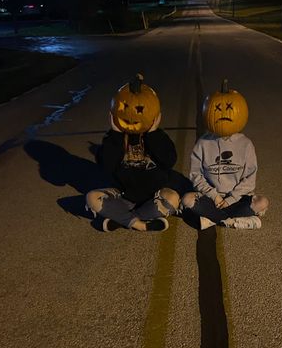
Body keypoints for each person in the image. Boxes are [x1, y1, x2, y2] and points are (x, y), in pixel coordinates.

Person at [86, 73, 188, 232]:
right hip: (124, 195)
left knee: (173, 199)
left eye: (140, 110)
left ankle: (120, 219)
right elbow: (107, 166)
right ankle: (141, 224)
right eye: (124, 108)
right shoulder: (114, 139)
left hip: (154, 196)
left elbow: (169, 161)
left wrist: (153, 134)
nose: (132, 115)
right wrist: (116, 134)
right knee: (92, 198)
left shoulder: (159, 137)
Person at [182, 79, 269, 230]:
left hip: (237, 198)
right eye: (217, 109)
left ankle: (212, 219)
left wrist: (230, 200)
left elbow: (249, 179)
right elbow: (196, 175)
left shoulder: (246, 144)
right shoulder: (203, 143)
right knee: (187, 199)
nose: (223, 114)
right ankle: (232, 220)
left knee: (262, 202)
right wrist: (214, 196)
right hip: (211, 197)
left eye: (229, 108)